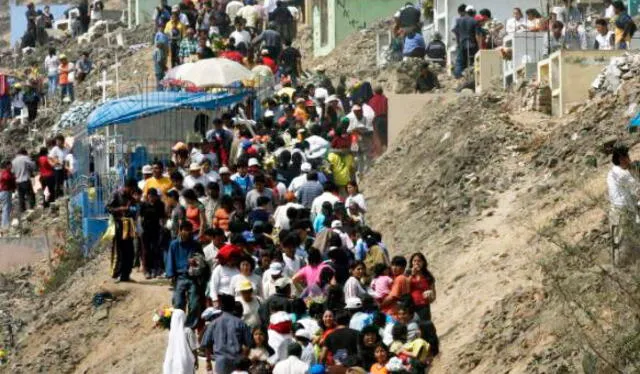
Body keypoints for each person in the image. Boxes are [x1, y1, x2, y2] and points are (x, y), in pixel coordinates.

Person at [166, 221, 204, 328]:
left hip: (193, 278)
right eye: (185, 230)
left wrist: (196, 261)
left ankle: (189, 326)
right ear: (180, 230)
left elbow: (202, 260)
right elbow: (170, 260)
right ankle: (178, 326)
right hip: (180, 277)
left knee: (195, 303)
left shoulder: (196, 244)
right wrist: (171, 275)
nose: (188, 232)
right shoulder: (174, 244)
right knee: (178, 303)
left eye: (189, 230)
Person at [201, 293, 252, 374]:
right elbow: (249, 344)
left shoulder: (214, 323)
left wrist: (208, 361)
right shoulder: (241, 323)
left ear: (221, 307)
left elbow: (207, 344)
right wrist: (243, 358)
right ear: (233, 306)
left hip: (221, 363)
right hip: (237, 363)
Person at [607, 144, 640, 266]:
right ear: (622, 159)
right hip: (623, 213)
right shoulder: (622, 174)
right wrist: (635, 171)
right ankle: (623, 271)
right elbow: (637, 191)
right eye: (627, 157)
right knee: (623, 244)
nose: (629, 160)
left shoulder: (612, 172)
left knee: (623, 242)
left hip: (619, 211)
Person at [107, 179, 138, 282]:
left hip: (129, 227)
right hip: (118, 226)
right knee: (120, 251)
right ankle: (117, 274)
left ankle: (126, 275)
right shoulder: (116, 194)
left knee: (130, 252)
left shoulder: (131, 197)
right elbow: (108, 208)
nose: (132, 191)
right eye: (132, 189)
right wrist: (120, 209)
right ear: (127, 187)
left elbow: (134, 209)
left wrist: (135, 202)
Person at [140, 188, 166, 279]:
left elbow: (162, 218)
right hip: (145, 230)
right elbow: (140, 217)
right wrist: (139, 229)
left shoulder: (160, 204)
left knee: (155, 249)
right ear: (147, 196)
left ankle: (155, 269)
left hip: (156, 229)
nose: (152, 198)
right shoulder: (144, 205)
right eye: (150, 196)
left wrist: (163, 228)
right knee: (146, 250)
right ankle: (147, 270)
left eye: (153, 196)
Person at [162, 309, 198, 374]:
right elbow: (193, 348)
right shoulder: (188, 331)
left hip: (173, 361)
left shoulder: (171, 333)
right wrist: (196, 360)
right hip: (186, 360)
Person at [453, 6, 483, 78]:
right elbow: (477, 35)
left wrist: (458, 42)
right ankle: (473, 77)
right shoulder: (474, 21)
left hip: (462, 44)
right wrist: (480, 47)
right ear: (473, 12)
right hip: (472, 45)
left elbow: (456, 32)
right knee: (474, 62)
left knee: (460, 62)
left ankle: (458, 77)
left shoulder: (458, 20)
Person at [12, 148, 35, 214]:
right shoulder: (25, 158)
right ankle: (32, 209)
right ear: (24, 153)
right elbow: (33, 166)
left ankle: (23, 210)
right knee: (30, 195)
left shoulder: (13, 161)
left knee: (21, 196)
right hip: (25, 179)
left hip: (17, 181)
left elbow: (12, 171)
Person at [368, 87, 388, 156]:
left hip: (376, 119)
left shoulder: (371, 100)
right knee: (385, 134)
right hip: (384, 118)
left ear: (375, 92)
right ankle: (385, 149)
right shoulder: (385, 99)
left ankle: (380, 153)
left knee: (377, 136)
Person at [0, 161, 16, 231]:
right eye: (10, 165)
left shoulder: (7, 172)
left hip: (7, 191)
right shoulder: (5, 172)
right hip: (5, 191)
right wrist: (13, 177)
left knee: (8, 207)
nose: (11, 166)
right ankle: (5, 225)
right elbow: (6, 178)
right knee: (6, 208)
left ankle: (6, 223)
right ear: (7, 165)